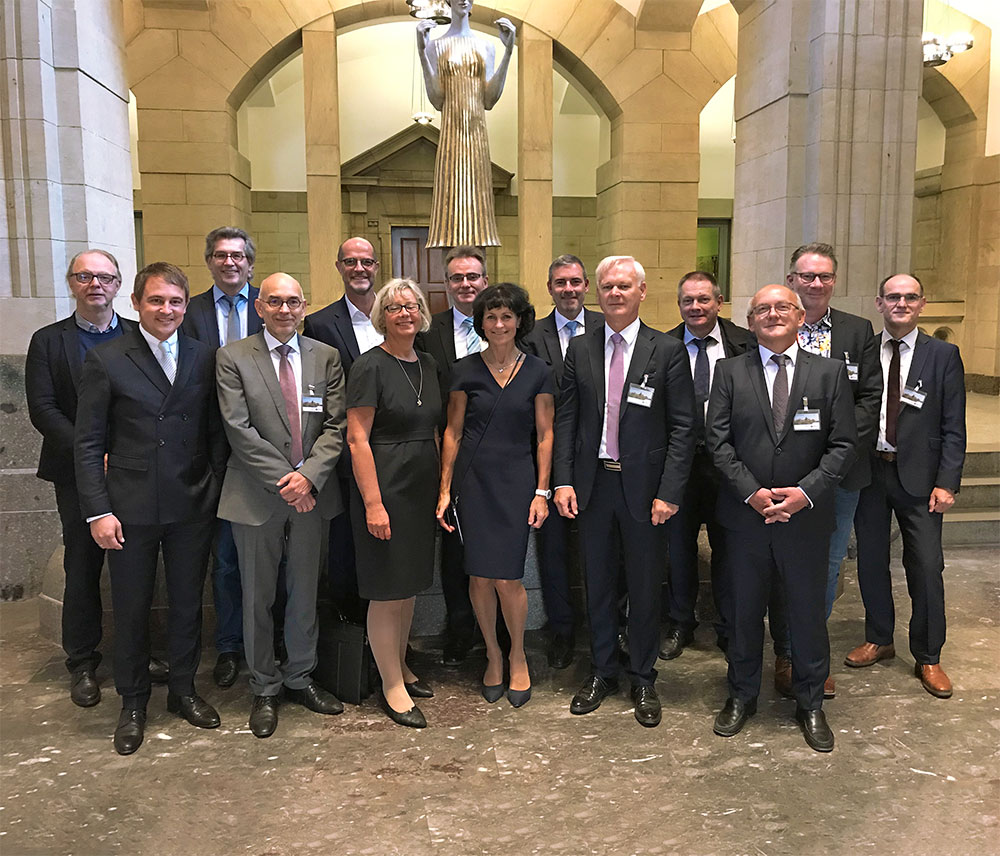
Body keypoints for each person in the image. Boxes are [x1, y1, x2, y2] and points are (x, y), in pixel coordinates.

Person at [74, 262, 227, 755]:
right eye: (157, 300)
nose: (167, 310)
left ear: (187, 306)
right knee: (133, 607)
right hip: (130, 506)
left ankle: (184, 690)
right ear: (136, 302)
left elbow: (216, 431)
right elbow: (88, 441)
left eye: (176, 301)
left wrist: (214, 485)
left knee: (187, 604)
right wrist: (98, 511)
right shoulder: (107, 358)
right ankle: (133, 702)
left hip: (191, 502)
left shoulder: (206, 357)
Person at [706, 284, 856, 752]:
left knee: (807, 615)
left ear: (799, 317)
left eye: (782, 308)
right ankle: (741, 695)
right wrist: (751, 493)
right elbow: (718, 442)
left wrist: (804, 494)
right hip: (745, 518)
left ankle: (811, 703)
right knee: (744, 611)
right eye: (761, 310)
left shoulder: (829, 373)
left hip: (805, 520)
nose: (772, 315)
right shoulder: (729, 372)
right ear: (749, 321)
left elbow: (843, 445)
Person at [553, 256, 696, 729]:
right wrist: (565, 480)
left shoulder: (667, 350)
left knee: (643, 584)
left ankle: (643, 675)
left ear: (641, 291)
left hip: (646, 491)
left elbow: (682, 427)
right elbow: (568, 419)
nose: (615, 294)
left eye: (624, 286)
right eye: (608, 287)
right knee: (597, 583)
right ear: (597, 292)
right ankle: (601, 670)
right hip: (593, 485)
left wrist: (670, 491)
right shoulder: (581, 348)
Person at [26, 250, 168, 708]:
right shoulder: (49, 341)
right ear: (71, 283)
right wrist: (94, 453)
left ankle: (136, 655)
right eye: (85, 276)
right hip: (77, 472)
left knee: (136, 567)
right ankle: (82, 662)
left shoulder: (136, 333)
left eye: (105, 277)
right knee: (83, 565)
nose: (95, 285)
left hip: (135, 474)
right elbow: (43, 409)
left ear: (119, 285)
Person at [216, 273, 347, 739]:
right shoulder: (232, 358)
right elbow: (238, 428)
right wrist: (287, 480)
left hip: (313, 494)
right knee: (257, 594)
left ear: (305, 306)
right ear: (259, 306)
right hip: (255, 496)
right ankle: (265, 686)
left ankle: (300, 676)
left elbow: (337, 425)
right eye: (275, 302)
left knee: (305, 589)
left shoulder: (326, 357)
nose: (285, 310)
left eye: (293, 301)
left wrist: (309, 476)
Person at [767, 242, 882, 700]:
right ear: (792, 279)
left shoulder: (857, 332)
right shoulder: (773, 326)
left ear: (834, 280)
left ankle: (811, 656)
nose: (816, 284)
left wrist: (834, 455)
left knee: (827, 568)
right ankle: (785, 654)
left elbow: (870, 401)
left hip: (838, 476)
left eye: (825, 276)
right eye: (807, 276)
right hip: (780, 476)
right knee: (780, 567)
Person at [846, 274, 966, 699]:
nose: (901, 303)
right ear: (879, 303)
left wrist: (947, 482)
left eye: (909, 297)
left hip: (921, 477)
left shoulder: (944, 355)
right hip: (870, 473)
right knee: (871, 560)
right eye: (892, 297)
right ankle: (879, 637)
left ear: (922, 304)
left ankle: (929, 655)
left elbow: (954, 425)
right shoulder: (863, 351)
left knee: (927, 566)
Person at [437, 284, 554, 707]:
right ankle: (491, 653)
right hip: (473, 483)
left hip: (516, 481)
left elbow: (545, 435)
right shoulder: (463, 369)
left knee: (508, 577)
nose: (499, 324)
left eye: (507, 316)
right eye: (490, 317)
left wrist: (542, 490)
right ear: (480, 323)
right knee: (479, 576)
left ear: (520, 320)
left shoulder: (539, 370)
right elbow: (451, 432)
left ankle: (518, 653)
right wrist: (445, 489)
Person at [347, 280, 442, 728]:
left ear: (422, 313)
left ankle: (401, 665)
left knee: (407, 588)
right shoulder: (370, 366)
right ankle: (391, 686)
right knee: (387, 592)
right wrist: (373, 504)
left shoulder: (426, 362)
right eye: (394, 307)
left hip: (420, 490)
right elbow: (357, 437)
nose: (404, 313)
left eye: (411, 306)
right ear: (381, 315)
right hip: (385, 488)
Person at [179, 226, 262, 690]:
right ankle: (230, 646)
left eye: (237, 255)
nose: (229, 262)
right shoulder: (188, 313)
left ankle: (271, 642)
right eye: (219, 255)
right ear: (209, 261)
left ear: (250, 262)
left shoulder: (271, 307)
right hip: (212, 454)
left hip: (268, 452)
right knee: (226, 558)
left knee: (276, 558)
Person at [661, 271, 755, 660]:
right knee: (677, 548)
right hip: (679, 465)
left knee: (730, 548)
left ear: (719, 302)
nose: (695, 307)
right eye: (688, 301)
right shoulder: (662, 345)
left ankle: (730, 626)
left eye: (703, 300)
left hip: (729, 465)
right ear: (679, 305)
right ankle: (680, 622)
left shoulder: (744, 344)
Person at [522, 254, 602, 669]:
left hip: (601, 457)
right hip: (548, 455)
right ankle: (563, 630)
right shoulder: (530, 336)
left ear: (586, 285)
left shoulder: (610, 328)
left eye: (575, 282)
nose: (568, 289)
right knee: (552, 550)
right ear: (549, 288)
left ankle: (606, 625)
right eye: (560, 283)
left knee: (602, 548)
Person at [303, 237, 383, 623]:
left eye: (366, 262)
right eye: (350, 262)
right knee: (347, 545)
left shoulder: (398, 317)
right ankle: (352, 636)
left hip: (394, 449)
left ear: (376, 267)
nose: (359, 269)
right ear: (339, 267)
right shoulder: (319, 323)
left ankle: (390, 634)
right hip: (348, 452)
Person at [416, 245, 488, 666]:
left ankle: (494, 626)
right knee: (455, 547)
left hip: (500, 453)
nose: (465, 284)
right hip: (450, 450)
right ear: (447, 285)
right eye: (457, 278)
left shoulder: (506, 326)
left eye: (473, 277)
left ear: (484, 280)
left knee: (495, 543)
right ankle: (460, 628)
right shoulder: (430, 332)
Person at [416, 0, 515, 247]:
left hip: (477, 136)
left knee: (479, 214)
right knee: (448, 213)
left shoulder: (486, 46)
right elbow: (438, 99)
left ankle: (479, 270)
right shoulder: (436, 46)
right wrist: (421, 52)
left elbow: (489, 99)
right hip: (451, 136)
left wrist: (509, 52)